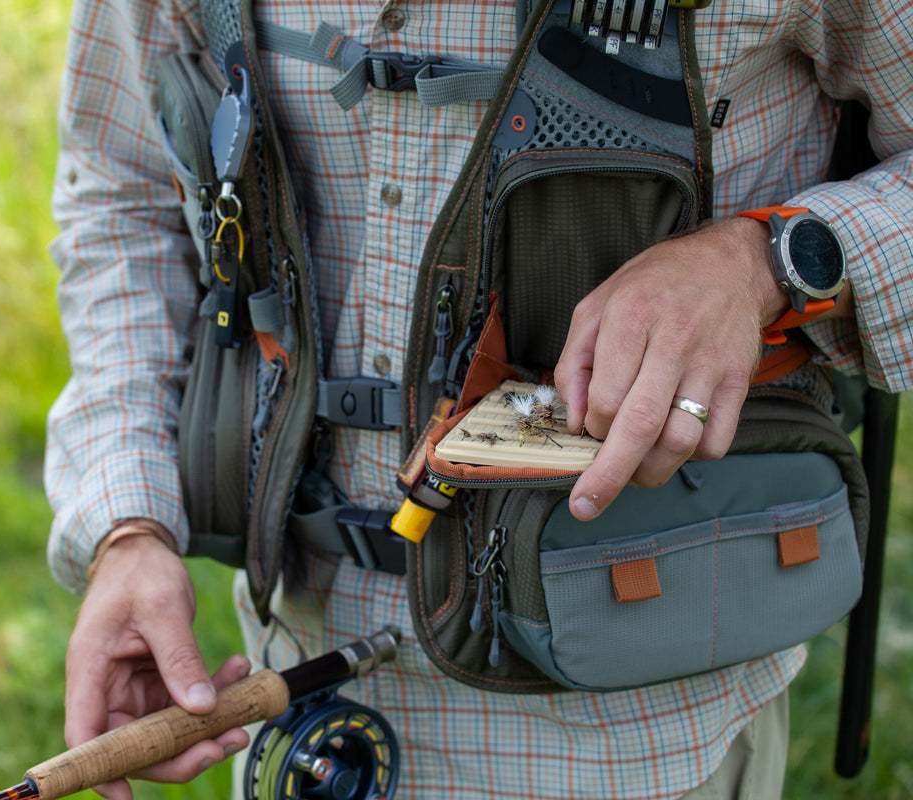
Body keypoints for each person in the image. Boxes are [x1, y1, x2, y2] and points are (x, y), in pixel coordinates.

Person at [44, 1, 913, 798]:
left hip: (641, 733)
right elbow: (122, 190)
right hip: (297, 696)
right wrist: (128, 528)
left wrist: (765, 264)